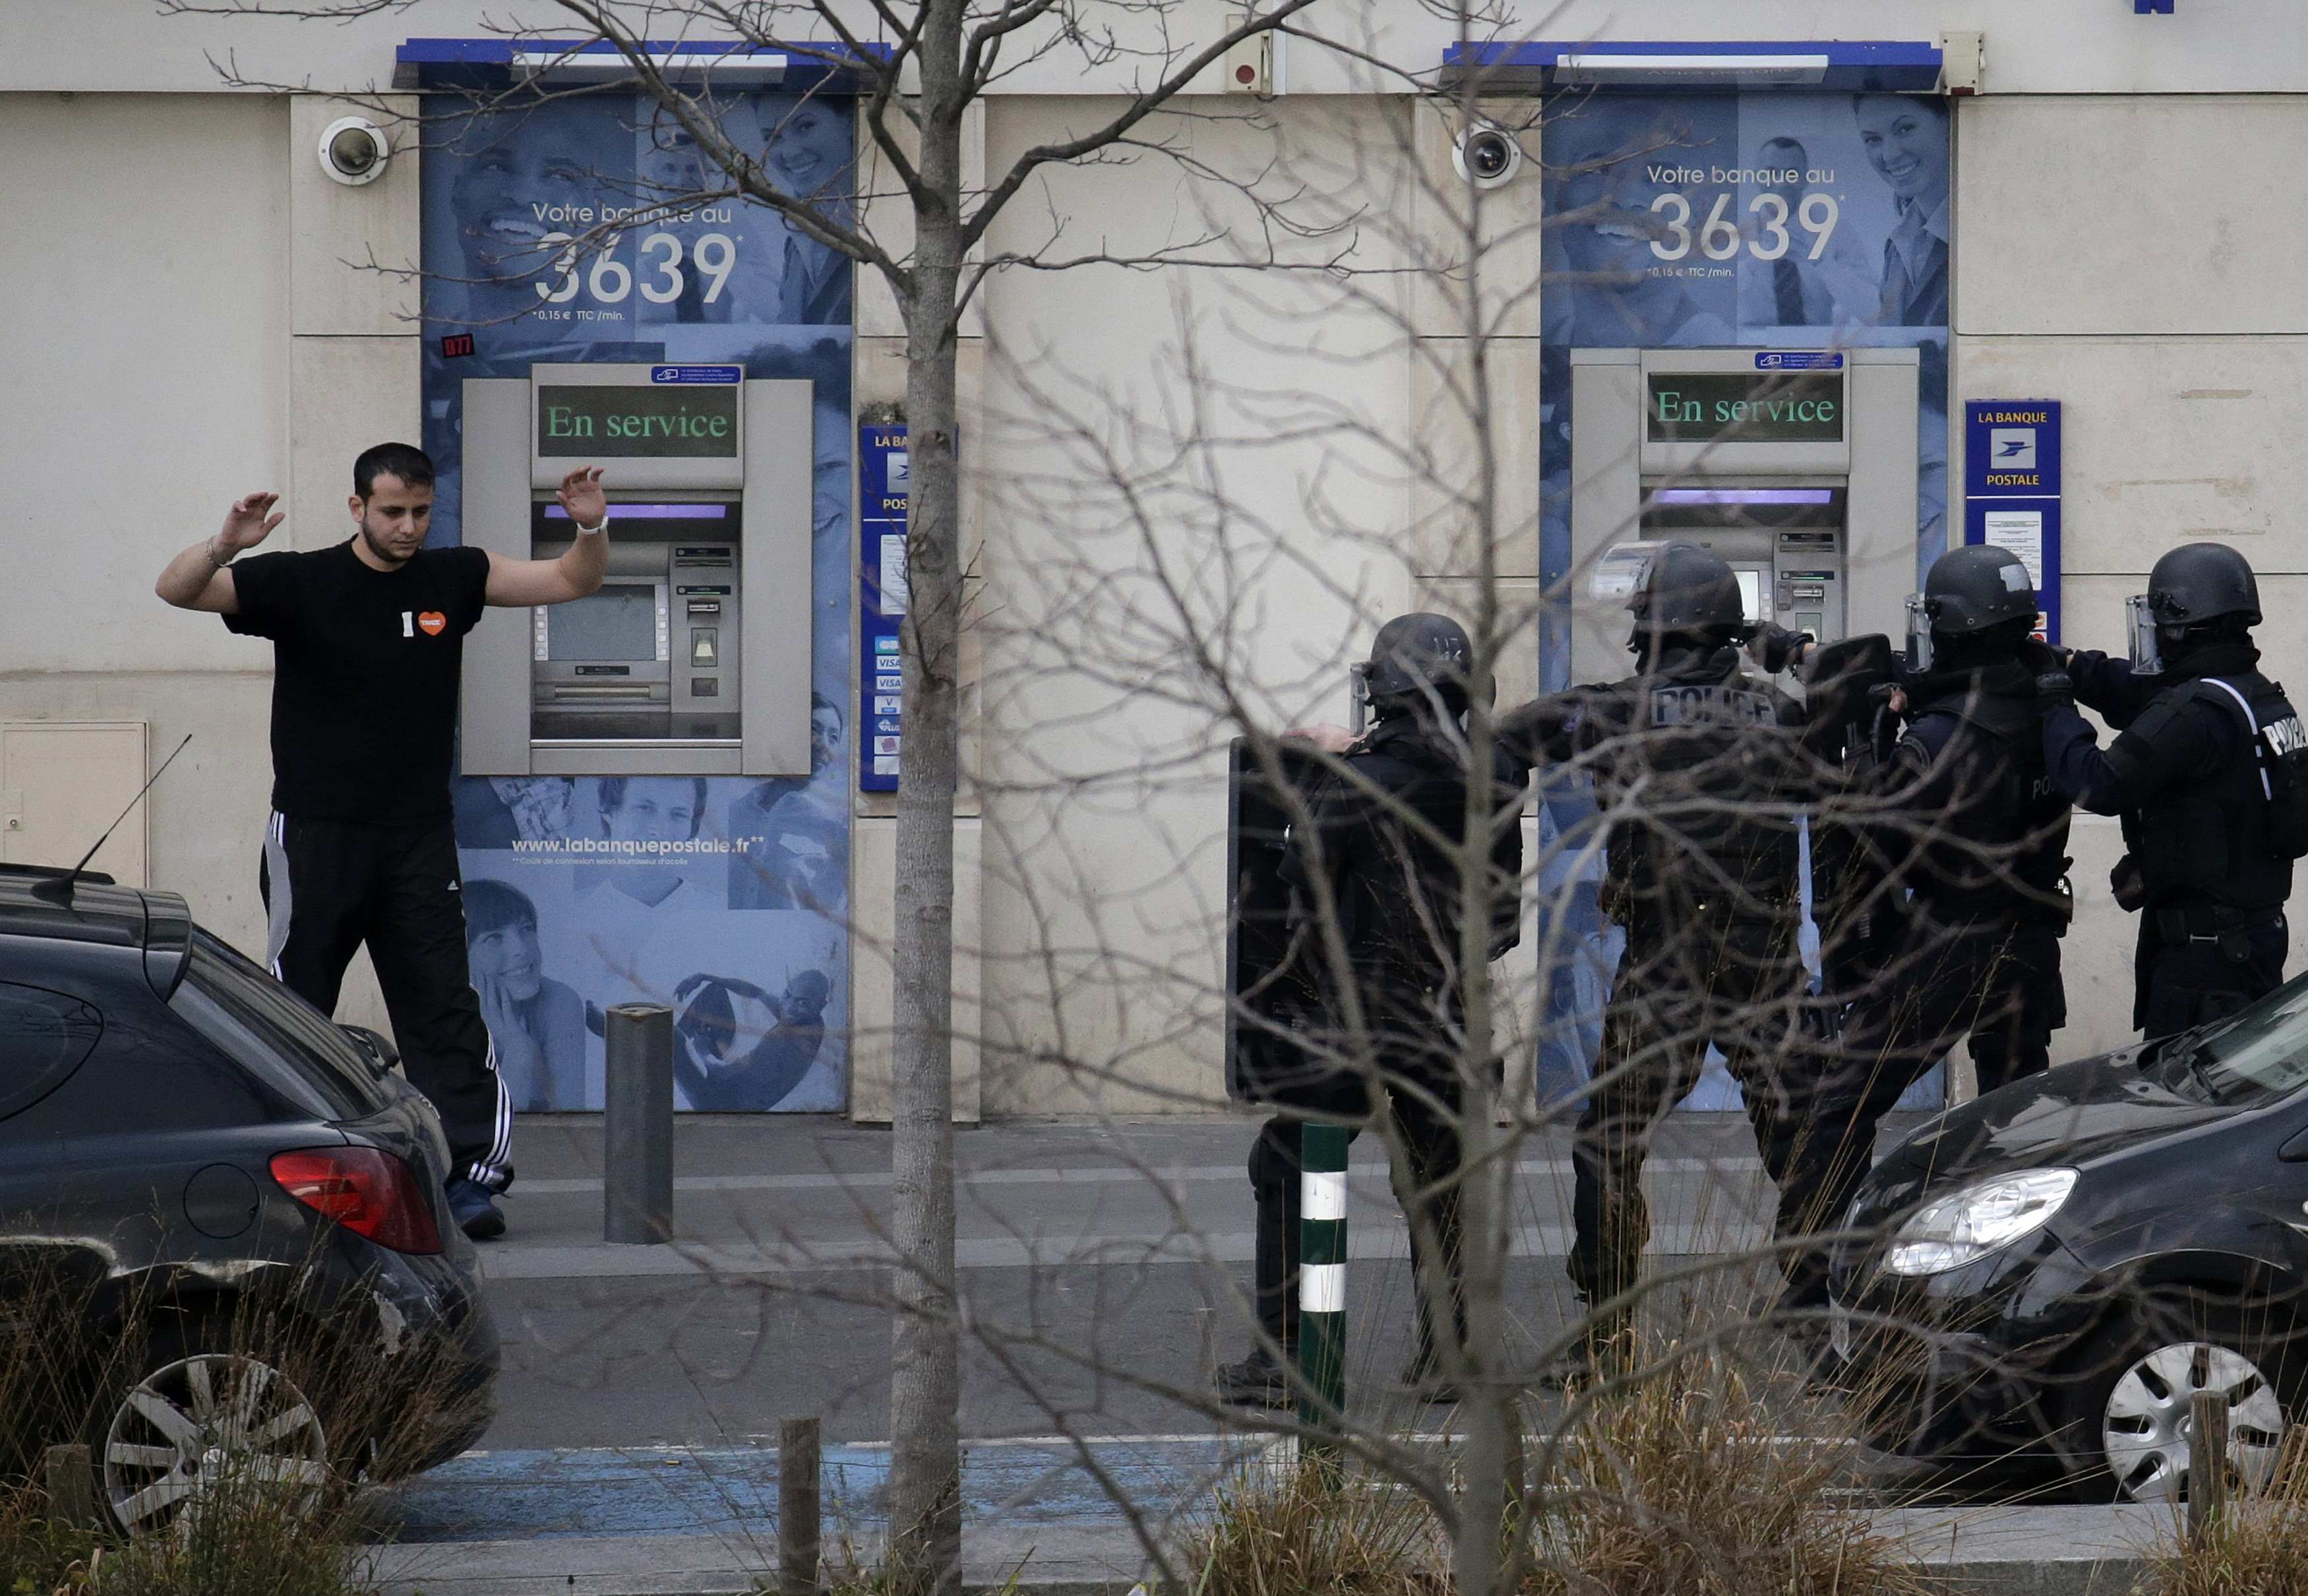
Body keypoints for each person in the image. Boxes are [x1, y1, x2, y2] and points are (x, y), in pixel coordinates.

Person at [155, 441, 612, 1239]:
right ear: (358, 507)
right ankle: (287, 1166)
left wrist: (591, 527)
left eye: (420, 511)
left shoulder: (454, 576)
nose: (408, 526)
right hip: (316, 833)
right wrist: (225, 543)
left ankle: (470, 1176)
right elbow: (177, 592)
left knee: (441, 1005)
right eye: (393, 510)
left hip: (416, 837)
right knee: (296, 1008)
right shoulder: (300, 580)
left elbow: (572, 579)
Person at [1499, 542, 1820, 1370]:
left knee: (1607, 1144)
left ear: (1650, 631)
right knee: (1800, 1142)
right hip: (1764, 970)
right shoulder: (1781, 715)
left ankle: (1606, 1334)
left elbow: (1506, 742)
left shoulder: (1612, 714)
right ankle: (1819, 1320)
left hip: (1665, 968)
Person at [1213, 614, 1525, 1407]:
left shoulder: (1349, 782)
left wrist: (1328, 767)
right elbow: (1500, 921)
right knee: (1444, 1179)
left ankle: (1291, 1359)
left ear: (1380, 691)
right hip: (1447, 1016)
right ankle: (1448, 1355)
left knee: (1290, 1163)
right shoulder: (1495, 780)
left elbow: (1293, 889)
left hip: (1352, 1016)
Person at [1757, 545, 2073, 1316]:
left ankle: (1805, 1287)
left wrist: (1868, 742)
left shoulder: (1940, 736)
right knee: (2010, 1115)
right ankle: (2013, 1286)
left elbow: (1874, 828)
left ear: (1952, 627)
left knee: (1841, 1103)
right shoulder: (2044, 699)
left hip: (1947, 943)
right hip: (2028, 940)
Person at [2039, 543, 2303, 1037]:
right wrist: (2069, 665)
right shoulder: (2249, 691)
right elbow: (2143, 699)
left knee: (2189, 1106)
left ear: (2183, 624)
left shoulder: (2194, 712)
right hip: (2250, 940)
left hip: (2206, 967)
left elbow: (2097, 784)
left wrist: (2055, 707)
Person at [466, 878, 588, 1112]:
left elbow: (569, 1121)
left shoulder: (559, 1001)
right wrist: (518, 1050)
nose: (521, 949)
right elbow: (491, 1133)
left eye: (526, 929)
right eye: (494, 937)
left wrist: (516, 1045)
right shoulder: (446, 1013)